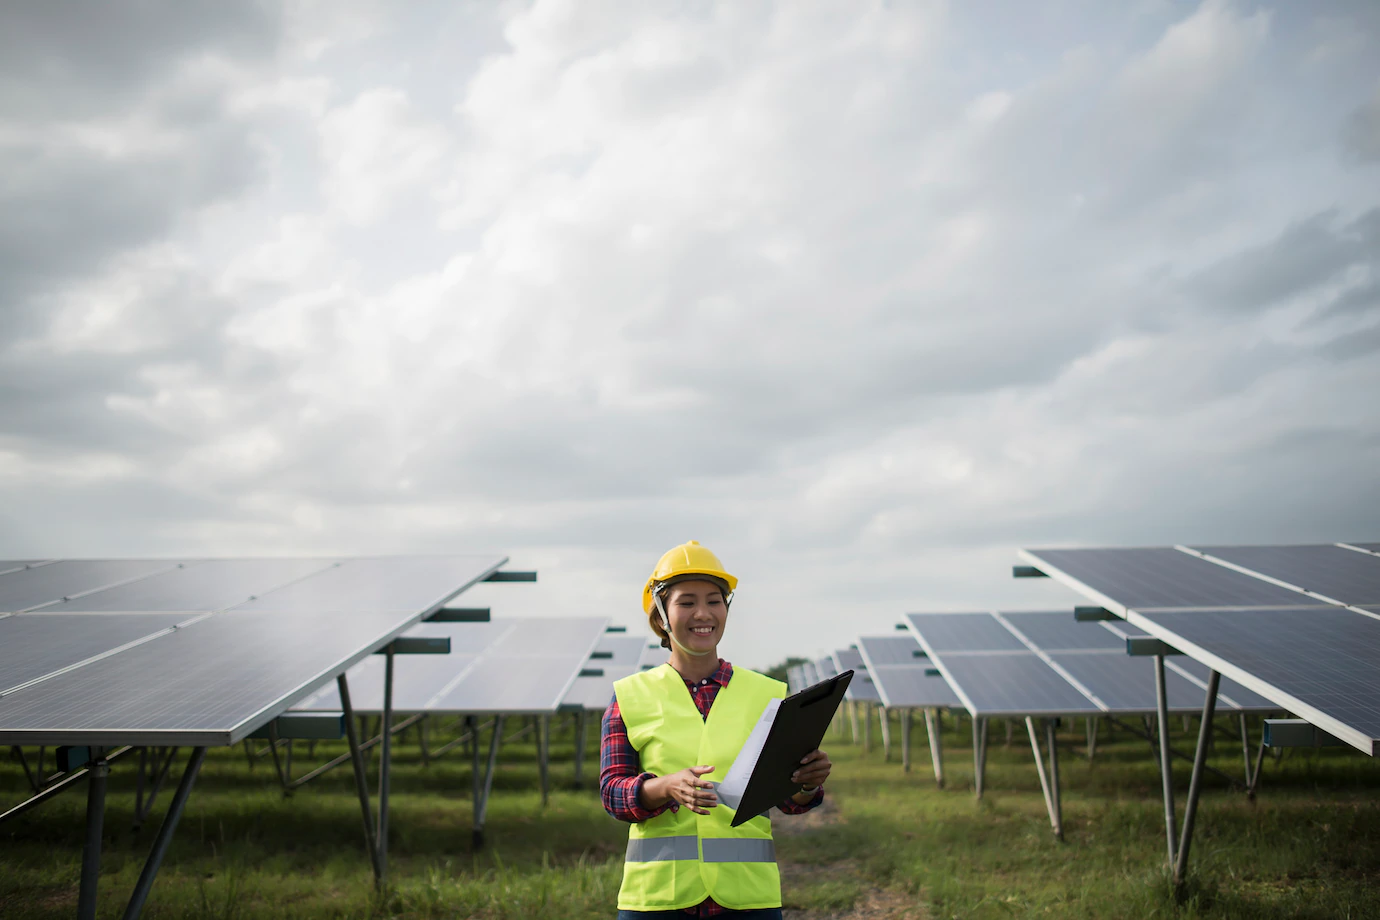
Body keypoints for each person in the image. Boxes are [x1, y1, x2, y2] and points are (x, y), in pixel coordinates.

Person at [601, 541, 833, 919]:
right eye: (687, 602)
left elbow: (790, 801)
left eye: (714, 600)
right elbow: (613, 794)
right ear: (661, 615)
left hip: (747, 899)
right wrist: (664, 786)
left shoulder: (768, 695)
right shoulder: (629, 697)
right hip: (658, 899)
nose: (703, 613)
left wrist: (807, 783)